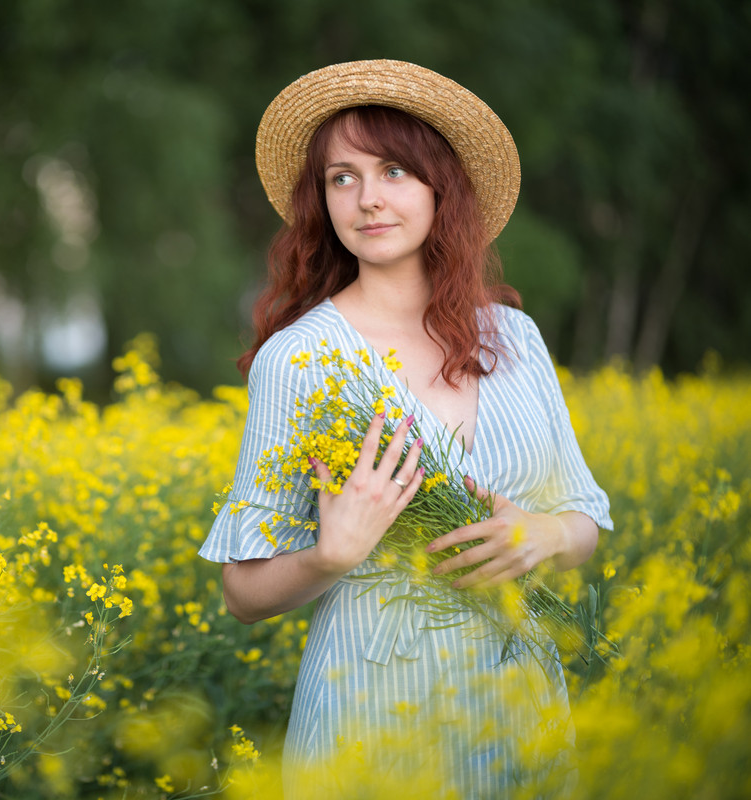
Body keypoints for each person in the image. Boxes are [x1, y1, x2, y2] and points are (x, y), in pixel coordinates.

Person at [199, 60, 612, 798]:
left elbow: (583, 517)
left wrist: (545, 536)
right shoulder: (299, 360)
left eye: (393, 170)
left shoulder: (514, 338)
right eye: (341, 177)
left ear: (439, 188)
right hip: (372, 718)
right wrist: (330, 556)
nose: (366, 199)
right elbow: (241, 591)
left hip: (520, 708)